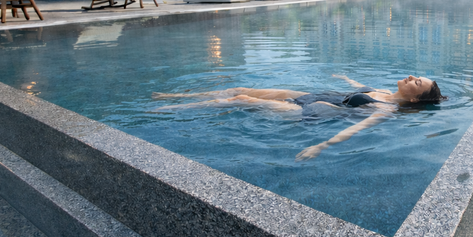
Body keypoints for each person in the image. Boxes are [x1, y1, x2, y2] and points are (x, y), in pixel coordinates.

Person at [152, 74, 446, 161]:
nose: (411, 77)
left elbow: (356, 129)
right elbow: (359, 88)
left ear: (412, 98)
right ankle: (176, 98)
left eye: (417, 82)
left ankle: (171, 111)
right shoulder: (382, 90)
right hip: (314, 94)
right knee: (243, 88)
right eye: (417, 76)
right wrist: (346, 78)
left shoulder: (385, 110)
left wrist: (321, 146)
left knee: (240, 100)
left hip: (313, 112)